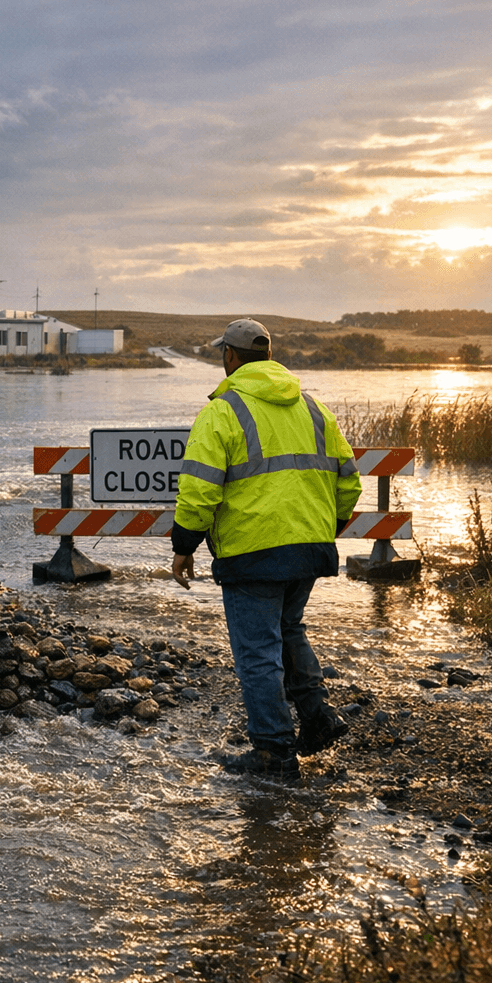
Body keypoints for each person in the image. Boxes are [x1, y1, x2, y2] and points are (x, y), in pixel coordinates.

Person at [170, 318, 360, 779]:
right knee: (289, 628)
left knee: (257, 652)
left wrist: (184, 544)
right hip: (310, 547)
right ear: (269, 356)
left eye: (224, 353)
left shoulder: (222, 411)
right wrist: (324, 528)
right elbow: (349, 481)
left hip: (252, 553)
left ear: (230, 357)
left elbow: (199, 489)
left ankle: (274, 750)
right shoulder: (314, 409)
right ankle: (318, 717)